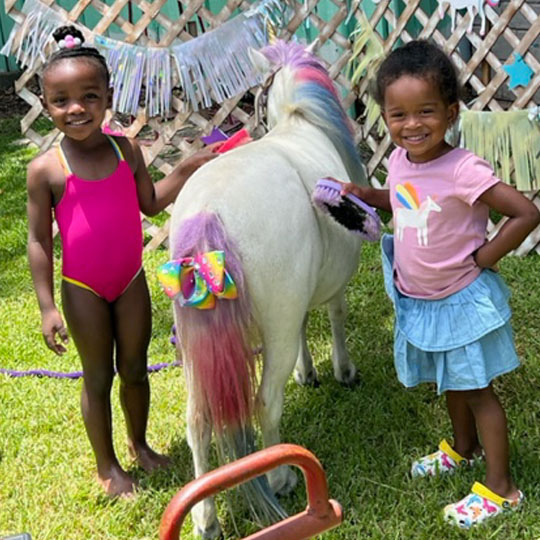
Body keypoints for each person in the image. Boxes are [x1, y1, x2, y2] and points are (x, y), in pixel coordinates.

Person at [341, 40, 540, 528]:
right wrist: (365, 195)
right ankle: (464, 448)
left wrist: (483, 257)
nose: (412, 125)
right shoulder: (402, 161)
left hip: (460, 300)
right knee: (450, 382)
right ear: (385, 117)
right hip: (423, 298)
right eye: (398, 114)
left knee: (477, 391)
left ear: (451, 113)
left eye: (426, 111)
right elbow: (403, 199)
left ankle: (501, 487)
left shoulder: (463, 169)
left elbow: (525, 211)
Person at [27, 25, 219, 497]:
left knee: (134, 368)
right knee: (98, 375)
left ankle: (139, 445)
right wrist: (48, 306)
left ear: (108, 96)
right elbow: (37, 241)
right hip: (83, 289)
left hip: (130, 281)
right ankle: (107, 466)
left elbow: (151, 204)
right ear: (47, 104)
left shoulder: (126, 149)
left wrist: (188, 168)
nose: (77, 109)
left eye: (89, 96)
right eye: (61, 100)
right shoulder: (47, 169)